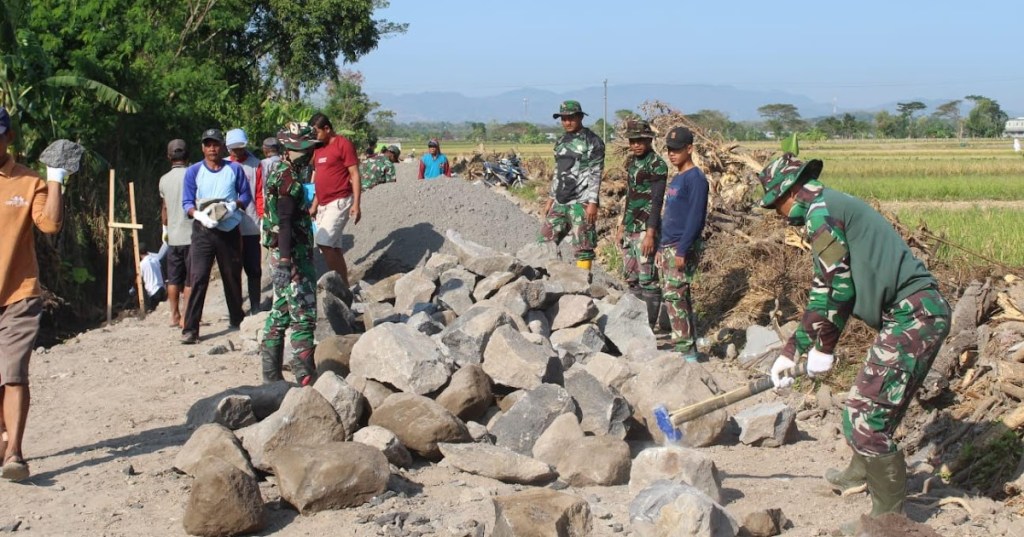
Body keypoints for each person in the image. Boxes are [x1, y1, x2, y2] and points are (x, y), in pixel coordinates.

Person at [760, 153, 951, 535]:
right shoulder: (823, 207)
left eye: (775, 204)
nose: (777, 214)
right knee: (866, 403)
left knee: (866, 415)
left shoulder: (820, 214)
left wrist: (825, 349)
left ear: (790, 191)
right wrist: (791, 351)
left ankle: (887, 520)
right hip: (910, 315)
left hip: (915, 315)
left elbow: (841, 290)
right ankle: (860, 471)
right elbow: (822, 294)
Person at [0, 107, 65, 481]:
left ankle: (15, 453)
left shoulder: (28, 182)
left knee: (13, 373)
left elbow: (51, 224)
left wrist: (54, 179)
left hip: (19, 294)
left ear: (8, 137)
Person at [260, 123, 320, 386]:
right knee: (304, 317)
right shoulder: (289, 180)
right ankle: (305, 380)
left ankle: (271, 380)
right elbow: (284, 221)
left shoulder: (280, 172)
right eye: (304, 150)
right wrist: (287, 262)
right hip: (292, 256)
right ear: (290, 149)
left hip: (282, 253)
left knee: (281, 311)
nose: (309, 155)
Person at [180, 128, 251, 344]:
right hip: (203, 230)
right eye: (208, 144)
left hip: (228, 228)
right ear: (202, 147)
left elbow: (245, 195)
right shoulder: (193, 171)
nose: (212, 148)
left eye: (216, 144)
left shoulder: (234, 169)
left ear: (223, 147)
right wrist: (198, 215)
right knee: (198, 277)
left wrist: (233, 206)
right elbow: (187, 202)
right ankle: (190, 329)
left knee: (231, 275)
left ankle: (237, 318)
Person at [656, 127, 708, 361]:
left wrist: (682, 249)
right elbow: (670, 215)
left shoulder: (696, 179)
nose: (672, 154)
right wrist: (660, 247)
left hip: (680, 245)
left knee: (675, 296)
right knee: (675, 295)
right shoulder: (677, 178)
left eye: (677, 150)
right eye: (669, 149)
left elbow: (696, 217)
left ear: (690, 149)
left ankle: (685, 350)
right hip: (668, 244)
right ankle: (687, 345)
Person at [539, 100, 605, 270]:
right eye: (563, 118)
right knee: (544, 241)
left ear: (580, 117)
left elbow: (596, 173)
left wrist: (592, 203)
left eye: (571, 118)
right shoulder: (561, 141)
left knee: (583, 248)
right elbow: (558, 172)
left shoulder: (592, 141)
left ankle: (583, 288)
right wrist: (550, 199)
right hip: (560, 201)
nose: (567, 122)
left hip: (581, 203)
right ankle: (550, 281)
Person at [614, 119, 668, 327]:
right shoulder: (633, 163)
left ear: (649, 140)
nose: (636, 145)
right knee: (631, 277)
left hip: (646, 228)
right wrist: (621, 227)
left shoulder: (657, 165)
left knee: (648, 280)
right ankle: (634, 326)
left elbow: (656, 201)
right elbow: (629, 197)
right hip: (630, 227)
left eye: (640, 141)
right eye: (632, 140)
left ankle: (650, 328)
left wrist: (651, 234)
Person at [308, 113, 361, 287]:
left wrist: (356, 204)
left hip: (340, 201)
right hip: (323, 204)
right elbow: (320, 180)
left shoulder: (342, 144)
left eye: (316, 132)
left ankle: (339, 286)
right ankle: (344, 287)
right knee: (334, 248)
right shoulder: (318, 149)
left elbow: (354, 174)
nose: (315, 136)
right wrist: (315, 205)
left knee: (323, 242)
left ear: (327, 129)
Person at [225, 128, 263, 315]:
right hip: (229, 224)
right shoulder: (222, 165)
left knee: (253, 266)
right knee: (232, 266)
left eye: (239, 148)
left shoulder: (255, 165)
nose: (236, 152)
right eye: (233, 149)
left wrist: (263, 218)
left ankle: (255, 304)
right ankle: (236, 308)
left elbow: (259, 193)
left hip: (251, 223)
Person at [158, 139, 192, 327]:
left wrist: (165, 227)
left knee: (173, 278)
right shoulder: (193, 174)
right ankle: (187, 316)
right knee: (189, 279)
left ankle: (174, 315)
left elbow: (164, 210)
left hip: (173, 237)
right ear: (187, 155)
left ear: (169, 157)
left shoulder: (163, 180)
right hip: (191, 235)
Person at [255, 137, 282, 220]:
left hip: (268, 205)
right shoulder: (285, 160)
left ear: (265, 150)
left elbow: (260, 186)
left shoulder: (264, 163)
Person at [139, 242, 168, 312]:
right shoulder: (156, 260)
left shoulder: (141, 264)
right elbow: (162, 273)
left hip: (153, 293)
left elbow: (139, 279)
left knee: (153, 311)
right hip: (162, 290)